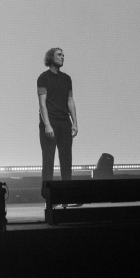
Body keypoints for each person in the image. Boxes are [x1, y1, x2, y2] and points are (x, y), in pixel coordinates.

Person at [37, 47, 78, 184]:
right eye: (59, 55)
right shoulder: (43, 78)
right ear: (51, 58)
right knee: (48, 160)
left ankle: (67, 195)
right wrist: (47, 125)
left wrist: (75, 123)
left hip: (64, 123)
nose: (62, 57)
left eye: (63, 55)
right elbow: (42, 104)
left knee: (66, 160)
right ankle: (48, 196)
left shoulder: (67, 79)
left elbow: (70, 101)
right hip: (50, 123)